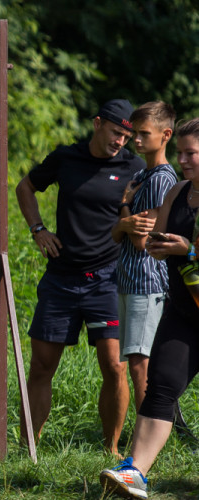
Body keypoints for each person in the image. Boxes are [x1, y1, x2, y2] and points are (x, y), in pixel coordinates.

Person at [15, 99, 147, 456]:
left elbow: (149, 213)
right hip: (61, 278)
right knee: (42, 366)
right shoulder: (66, 158)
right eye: (116, 132)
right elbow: (24, 188)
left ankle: (112, 449)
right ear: (97, 123)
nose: (121, 141)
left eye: (127, 136)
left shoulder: (134, 167)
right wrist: (38, 229)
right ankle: (30, 448)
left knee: (114, 366)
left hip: (108, 278)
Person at [100, 118, 199, 500]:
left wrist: (188, 250)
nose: (183, 160)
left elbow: (185, 247)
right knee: (161, 386)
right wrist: (146, 231)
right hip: (185, 313)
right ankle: (134, 472)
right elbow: (144, 239)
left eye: (191, 153)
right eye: (181, 153)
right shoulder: (177, 192)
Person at [111, 102, 177, 412]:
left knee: (140, 364)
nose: (136, 140)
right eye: (134, 133)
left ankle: (145, 439)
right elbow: (115, 235)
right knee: (135, 359)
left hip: (146, 283)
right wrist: (125, 221)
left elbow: (139, 241)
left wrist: (124, 209)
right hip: (128, 280)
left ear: (166, 135)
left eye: (143, 134)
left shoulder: (162, 179)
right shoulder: (141, 173)